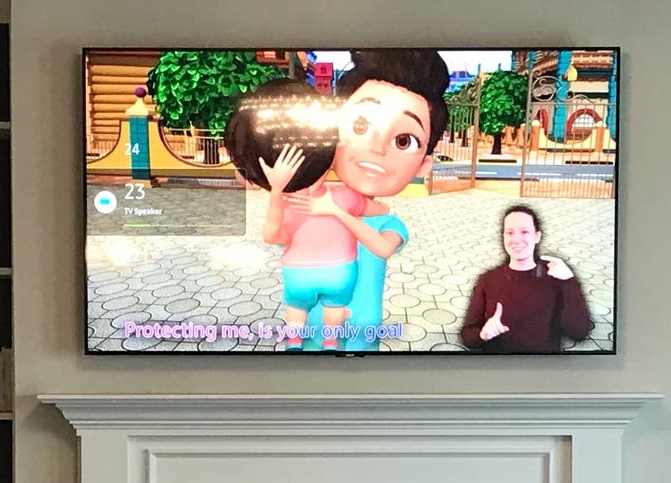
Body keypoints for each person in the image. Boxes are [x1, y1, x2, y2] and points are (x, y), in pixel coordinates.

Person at [250, 49, 447, 350]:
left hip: (360, 347)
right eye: (360, 126)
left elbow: (380, 248)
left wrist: (335, 211)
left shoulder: (388, 223)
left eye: (404, 141)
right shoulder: (309, 203)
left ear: (422, 166)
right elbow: (274, 235)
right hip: (306, 343)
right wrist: (278, 191)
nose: (377, 148)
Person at [458, 202, 592, 351]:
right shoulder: (488, 280)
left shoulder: (556, 279)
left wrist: (569, 282)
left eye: (524, 232)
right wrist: (483, 334)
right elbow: (467, 336)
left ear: (537, 236)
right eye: (509, 232)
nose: (516, 239)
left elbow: (579, 333)